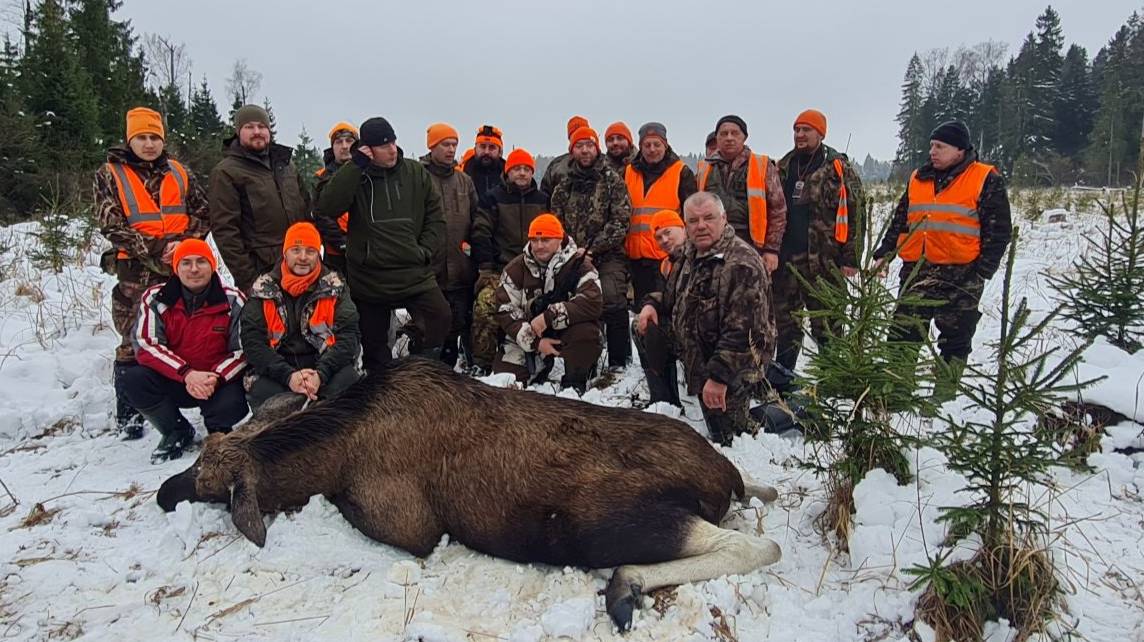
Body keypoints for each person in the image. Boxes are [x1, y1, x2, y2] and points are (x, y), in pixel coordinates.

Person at [874, 120, 1012, 401]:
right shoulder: (918, 178)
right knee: (903, 333)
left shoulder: (985, 178)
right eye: (931, 146)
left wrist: (982, 271)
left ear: (959, 149)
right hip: (917, 272)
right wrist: (884, 254)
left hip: (961, 275)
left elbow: (999, 230)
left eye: (940, 147)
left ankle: (944, 397)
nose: (932, 152)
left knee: (955, 338)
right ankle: (898, 393)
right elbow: (901, 220)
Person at [95, 106, 210, 440]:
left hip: (180, 270)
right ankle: (129, 417)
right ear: (130, 139)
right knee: (133, 340)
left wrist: (185, 248)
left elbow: (204, 213)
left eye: (154, 137)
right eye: (142, 138)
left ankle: (171, 410)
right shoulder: (109, 173)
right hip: (135, 272)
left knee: (178, 338)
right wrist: (159, 250)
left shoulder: (179, 172)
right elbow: (111, 223)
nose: (149, 144)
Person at [637, 192, 775, 445]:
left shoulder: (741, 264)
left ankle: (788, 414)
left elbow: (744, 333)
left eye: (709, 218)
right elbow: (671, 297)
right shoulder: (689, 253)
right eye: (693, 220)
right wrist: (650, 305)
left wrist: (719, 378)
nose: (701, 226)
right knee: (645, 327)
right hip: (699, 348)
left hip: (734, 358)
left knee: (731, 435)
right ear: (686, 225)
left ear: (724, 219)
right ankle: (666, 403)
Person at [315, 116, 449, 369]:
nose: (391, 149)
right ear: (368, 149)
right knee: (374, 343)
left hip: (413, 270)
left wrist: (424, 251)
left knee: (440, 317)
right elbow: (327, 207)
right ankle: (382, 389)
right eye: (382, 145)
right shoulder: (355, 174)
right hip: (369, 276)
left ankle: (420, 369)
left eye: (393, 142)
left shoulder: (414, 171)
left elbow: (435, 217)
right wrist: (356, 167)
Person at [124, 239, 248, 463]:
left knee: (231, 406)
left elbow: (242, 350)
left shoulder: (233, 300)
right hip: (177, 379)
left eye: (201, 261)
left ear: (213, 265)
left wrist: (216, 377)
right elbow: (146, 344)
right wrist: (187, 374)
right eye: (186, 263)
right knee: (134, 379)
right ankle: (175, 430)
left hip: (216, 382)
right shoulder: (155, 298)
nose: (194, 269)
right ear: (176, 268)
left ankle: (218, 431)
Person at [772, 109, 864, 370]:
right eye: (797, 130)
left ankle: (832, 383)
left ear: (820, 134)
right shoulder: (784, 166)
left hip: (825, 262)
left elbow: (857, 214)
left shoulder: (838, 168)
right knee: (786, 326)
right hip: (787, 261)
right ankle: (783, 380)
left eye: (806, 130)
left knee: (829, 326)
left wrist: (851, 258)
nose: (800, 135)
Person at [241, 222, 362, 411]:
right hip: (279, 367)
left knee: (349, 381)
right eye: (296, 250)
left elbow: (349, 336)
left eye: (310, 251)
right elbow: (252, 343)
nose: (303, 257)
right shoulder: (262, 289)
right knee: (261, 391)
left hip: (323, 365)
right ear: (285, 253)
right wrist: (289, 377)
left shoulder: (335, 286)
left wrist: (320, 374)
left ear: (319, 254)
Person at [550, 126, 634, 370]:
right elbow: (556, 223)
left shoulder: (612, 181)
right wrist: (572, 250)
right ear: (572, 150)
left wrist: (592, 249)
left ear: (597, 148)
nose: (585, 150)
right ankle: (574, 356)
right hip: (572, 255)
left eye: (589, 145)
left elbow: (620, 220)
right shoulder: (564, 185)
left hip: (608, 254)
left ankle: (620, 362)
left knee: (612, 298)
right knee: (571, 301)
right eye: (579, 145)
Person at [493, 214, 602, 392]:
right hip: (527, 332)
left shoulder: (580, 265)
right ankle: (540, 364)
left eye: (545, 239)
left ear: (559, 239)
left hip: (565, 329)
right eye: (534, 240)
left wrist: (549, 317)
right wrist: (536, 342)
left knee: (586, 334)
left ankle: (575, 380)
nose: (539, 245)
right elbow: (505, 310)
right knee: (506, 381)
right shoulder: (515, 269)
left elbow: (593, 301)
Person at [208, 104, 311, 292]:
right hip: (262, 271)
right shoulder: (226, 172)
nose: (257, 132)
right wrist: (249, 279)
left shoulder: (287, 166)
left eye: (262, 127)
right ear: (238, 132)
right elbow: (225, 230)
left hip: (299, 266)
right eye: (249, 127)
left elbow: (306, 210)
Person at [469, 147, 549, 373]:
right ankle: (481, 363)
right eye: (516, 169)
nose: (522, 173)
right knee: (486, 305)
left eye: (526, 169)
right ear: (508, 171)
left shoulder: (543, 200)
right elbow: (480, 233)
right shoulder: (492, 198)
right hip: (500, 270)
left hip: (537, 271)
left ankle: (543, 356)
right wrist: (486, 269)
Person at [697, 115, 788, 275]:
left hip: (752, 246)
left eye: (735, 133)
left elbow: (778, 210)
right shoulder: (704, 168)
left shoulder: (762, 165)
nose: (729, 138)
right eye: (724, 134)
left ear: (744, 137)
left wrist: (771, 250)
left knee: (750, 295)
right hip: (712, 246)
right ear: (717, 138)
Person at [421, 122, 479, 368]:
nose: (451, 149)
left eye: (454, 144)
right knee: (431, 323)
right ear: (432, 146)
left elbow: (477, 219)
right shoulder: (419, 177)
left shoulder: (464, 181)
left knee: (459, 320)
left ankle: (456, 367)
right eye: (445, 144)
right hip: (429, 267)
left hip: (460, 265)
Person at [623, 121, 698, 304]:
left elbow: (691, 213)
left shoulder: (680, 171)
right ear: (640, 147)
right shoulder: (628, 172)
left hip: (667, 255)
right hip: (635, 257)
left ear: (665, 144)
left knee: (667, 305)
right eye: (646, 145)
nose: (652, 149)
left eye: (657, 144)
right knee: (642, 308)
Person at [632, 209, 687, 407]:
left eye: (668, 232)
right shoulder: (666, 264)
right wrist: (650, 305)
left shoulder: (696, 256)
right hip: (680, 325)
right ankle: (663, 399)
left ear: (683, 228)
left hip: (699, 331)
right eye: (658, 237)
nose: (664, 240)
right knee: (642, 325)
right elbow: (667, 297)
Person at [313, 121, 358, 274]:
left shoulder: (370, 173)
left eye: (349, 141)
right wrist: (342, 243)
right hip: (336, 254)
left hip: (368, 250)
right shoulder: (322, 178)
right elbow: (320, 214)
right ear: (332, 147)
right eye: (339, 142)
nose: (344, 146)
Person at [540, 115, 590, 199]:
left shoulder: (602, 163)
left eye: (583, 133)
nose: (579, 136)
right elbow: (545, 196)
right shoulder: (556, 166)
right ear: (569, 138)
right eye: (575, 134)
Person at [463, 124, 505, 205]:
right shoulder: (462, 174)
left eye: (492, 147)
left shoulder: (509, 177)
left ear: (500, 152)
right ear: (475, 149)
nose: (486, 152)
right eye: (482, 146)